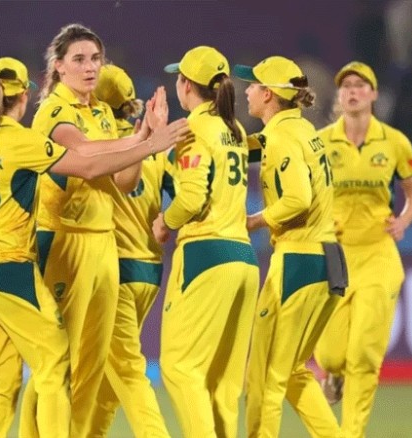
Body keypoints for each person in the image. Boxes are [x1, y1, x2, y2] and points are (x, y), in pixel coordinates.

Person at [17, 23, 186, 438]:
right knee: (57, 361)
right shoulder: (52, 111)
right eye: (79, 59)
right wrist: (148, 143)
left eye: (95, 59)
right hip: (64, 242)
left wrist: (143, 135)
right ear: (59, 67)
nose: (90, 67)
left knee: (92, 365)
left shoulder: (102, 114)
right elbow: (86, 158)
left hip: (103, 241)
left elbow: (123, 182)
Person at [234, 55, 345, 438]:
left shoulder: (282, 137)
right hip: (327, 258)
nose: (247, 91)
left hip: (299, 260)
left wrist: (253, 221)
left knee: (269, 375)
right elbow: (252, 147)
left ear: (268, 94)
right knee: (292, 370)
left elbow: (297, 198)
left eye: (253, 85)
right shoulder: (301, 130)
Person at [152, 46, 260, 438]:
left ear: (185, 85)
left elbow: (192, 198)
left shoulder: (192, 129)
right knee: (224, 384)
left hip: (205, 254)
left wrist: (164, 223)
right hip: (244, 257)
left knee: (180, 368)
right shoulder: (236, 130)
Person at [313, 61, 412, 438]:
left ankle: (351, 433)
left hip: (378, 254)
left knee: (364, 355)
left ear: (373, 94)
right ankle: (334, 374)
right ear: (339, 95)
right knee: (330, 355)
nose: (353, 91)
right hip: (335, 256)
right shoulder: (322, 143)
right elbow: (306, 191)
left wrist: (403, 221)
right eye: (346, 85)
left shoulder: (394, 142)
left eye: (360, 85)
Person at [87, 64, 171, 438]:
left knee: (126, 370)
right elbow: (183, 197)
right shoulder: (156, 147)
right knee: (111, 374)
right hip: (150, 271)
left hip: (115, 268)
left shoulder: (99, 145)